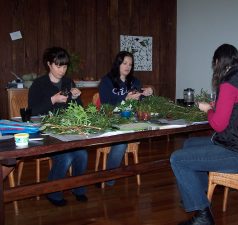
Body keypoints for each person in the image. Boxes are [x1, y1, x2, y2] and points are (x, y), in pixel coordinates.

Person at [170, 44, 238, 225]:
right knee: (189, 145)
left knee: (177, 159)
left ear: (217, 62)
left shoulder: (228, 82)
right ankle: (196, 196)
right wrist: (222, 106)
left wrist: (208, 109)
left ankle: (202, 217)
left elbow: (218, 124)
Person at [28, 47, 88, 206]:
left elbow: (79, 110)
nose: (62, 70)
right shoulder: (39, 84)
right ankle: (53, 192)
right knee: (66, 156)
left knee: (82, 154)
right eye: (58, 66)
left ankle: (78, 189)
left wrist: (76, 98)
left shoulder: (68, 82)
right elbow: (31, 112)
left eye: (65, 66)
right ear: (49, 64)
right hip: (46, 131)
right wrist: (52, 100)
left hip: (67, 129)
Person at [98, 51, 153, 186]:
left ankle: (109, 176)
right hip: (110, 120)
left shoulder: (135, 81)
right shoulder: (106, 81)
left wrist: (147, 93)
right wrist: (125, 98)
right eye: (125, 63)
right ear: (118, 64)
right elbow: (106, 108)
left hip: (131, 121)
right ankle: (108, 179)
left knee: (147, 128)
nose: (128, 66)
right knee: (121, 142)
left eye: (130, 64)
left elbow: (140, 103)